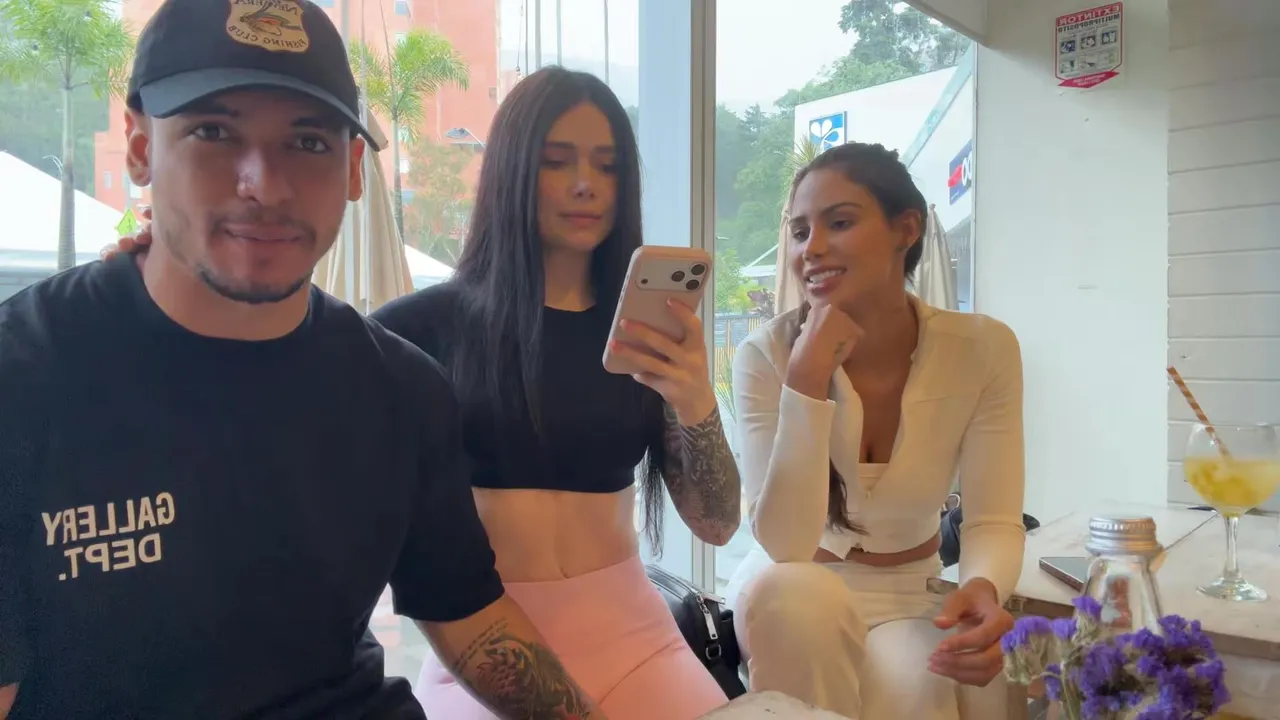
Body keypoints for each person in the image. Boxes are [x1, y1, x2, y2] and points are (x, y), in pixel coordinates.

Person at [0, 2, 603, 719]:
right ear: (138, 147)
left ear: (353, 169)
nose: (265, 185)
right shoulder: (26, 377)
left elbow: (471, 619)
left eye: (308, 142)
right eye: (214, 132)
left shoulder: (400, 389)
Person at [104, 67, 739, 720]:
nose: (586, 184)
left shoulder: (644, 339)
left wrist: (694, 399)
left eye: (607, 165)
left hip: (638, 640)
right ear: (512, 171)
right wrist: (176, 273)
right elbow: (278, 386)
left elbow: (716, 525)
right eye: (556, 161)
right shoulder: (416, 333)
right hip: (483, 650)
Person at [723, 142, 1026, 719]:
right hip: (795, 586)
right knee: (796, 596)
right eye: (800, 231)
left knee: (917, 688)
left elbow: (992, 519)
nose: (811, 248)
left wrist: (983, 586)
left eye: (839, 223)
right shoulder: (765, 355)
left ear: (905, 229)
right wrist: (806, 380)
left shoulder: (982, 349)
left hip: (910, 591)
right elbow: (786, 546)